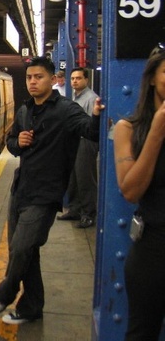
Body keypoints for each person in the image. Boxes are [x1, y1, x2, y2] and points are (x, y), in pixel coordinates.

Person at [0, 56, 103, 325]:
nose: (33, 82)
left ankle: (5, 294)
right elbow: (10, 144)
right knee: (28, 253)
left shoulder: (66, 110)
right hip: (21, 190)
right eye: (29, 77)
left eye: (38, 77)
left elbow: (89, 131)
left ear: (52, 79)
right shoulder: (25, 110)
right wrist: (19, 141)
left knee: (21, 247)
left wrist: (96, 115)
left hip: (45, 194)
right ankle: (31, 308)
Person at [113, 43, 165, 340]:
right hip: (154, 252)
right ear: (153, 79)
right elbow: (130, 190)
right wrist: (157, 131)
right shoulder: (128, 129)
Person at [57, 67, 99, 228]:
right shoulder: (75, 97)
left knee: (85, 178)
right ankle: (75, 209)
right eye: (73, 78)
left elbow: (91, 126)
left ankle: (89, 214)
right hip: (75, 141)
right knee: (73, 177)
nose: (75, 81)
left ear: (86, 80)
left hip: (85, 142)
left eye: (79, 78)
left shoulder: (91, 98)